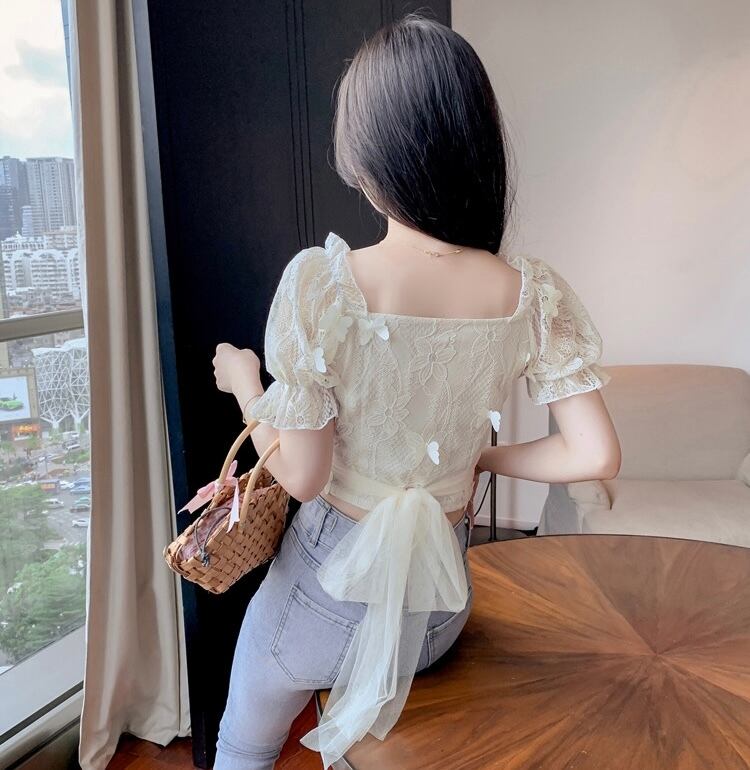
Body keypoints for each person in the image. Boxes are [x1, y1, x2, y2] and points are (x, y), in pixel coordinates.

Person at [210, 13, 621, 770]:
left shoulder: (324, 284)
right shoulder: (529, 293)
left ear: (367, 160)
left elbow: (301, 477)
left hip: (324, 600)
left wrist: (244, 384)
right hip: (438, 613)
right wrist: (484, 458)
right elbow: (595, 453)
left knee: (243, 742)